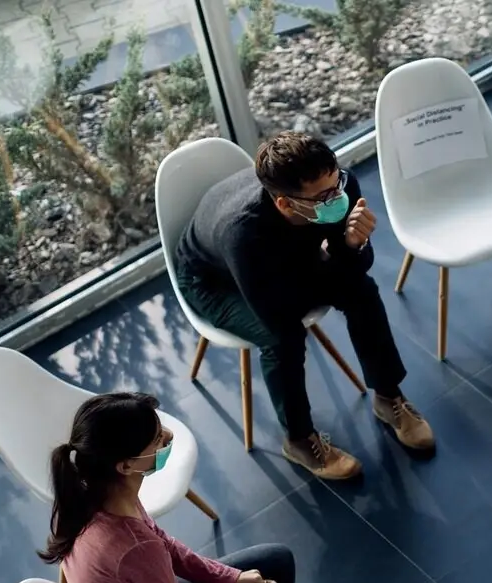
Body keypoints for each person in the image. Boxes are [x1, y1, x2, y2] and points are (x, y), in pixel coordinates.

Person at [41, 392, 348, 583]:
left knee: (277, 560)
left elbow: (166, 546)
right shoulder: (132, 545)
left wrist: (231, 579)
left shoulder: (97, 495)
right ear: (126, 465)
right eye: (158, 438)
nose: (169, 437)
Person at [174, 131, 434, 481]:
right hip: (215, 282)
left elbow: (359, 266)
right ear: (285, 204)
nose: (338, 197)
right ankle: (298, 440)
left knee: (363, 292)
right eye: (325, 196)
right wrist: (332, 259)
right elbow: (278, 312)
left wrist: (351, 246)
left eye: (337, 182)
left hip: (290, 259)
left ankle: (389, 398)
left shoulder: (339, 187)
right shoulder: (243, 233)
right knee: (283, 337)